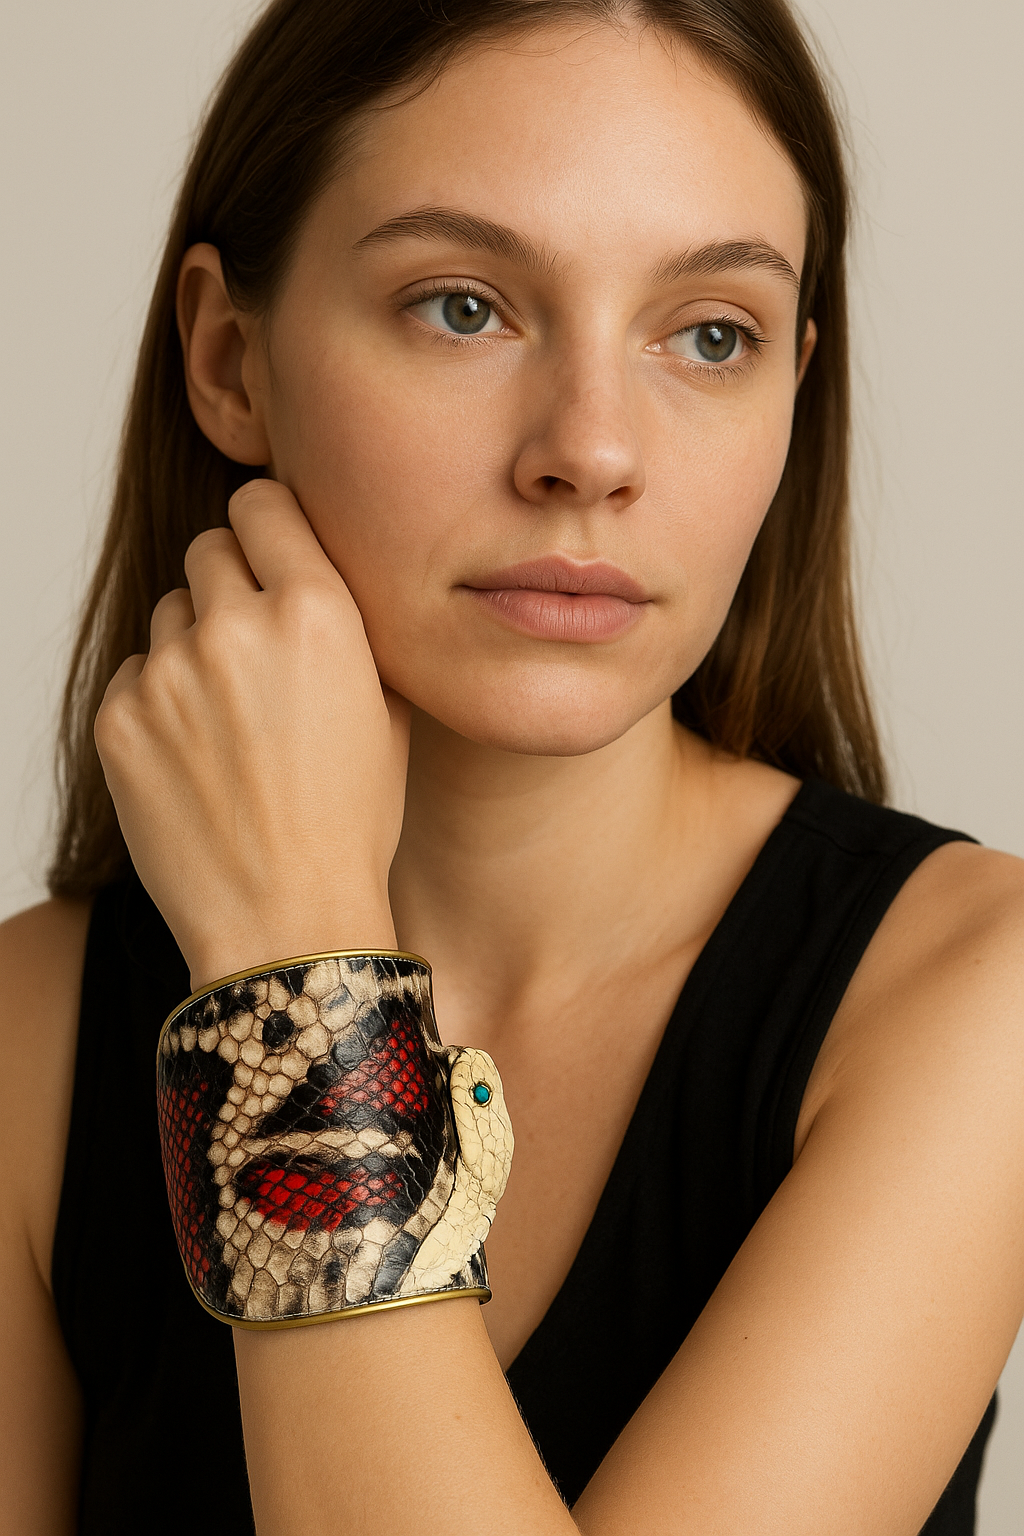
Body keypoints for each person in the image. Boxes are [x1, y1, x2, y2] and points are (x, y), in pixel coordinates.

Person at [2, 0, 1022, 1531]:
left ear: (795, 393)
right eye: (463, 306)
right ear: (231, 360)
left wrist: (298, 974)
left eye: (711, 334)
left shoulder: (974, 998)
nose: (593, 448)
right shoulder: (28, 1042)